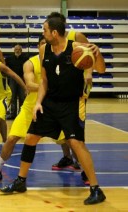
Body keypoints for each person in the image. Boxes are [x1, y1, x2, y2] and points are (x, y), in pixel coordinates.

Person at [0, 16, 106, 205]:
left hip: (70, 105)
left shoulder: (76, 48)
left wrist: (97, 54)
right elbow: (44, 81)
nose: (43, 33)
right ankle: (21, 181)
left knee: (76, 143)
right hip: (49, 104)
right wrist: (38, 102)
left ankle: (96, 189)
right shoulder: (44, 50)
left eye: (45, 30)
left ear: (54, 33)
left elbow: (101, 70)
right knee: (31, 137)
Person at [47, 12, 106, 182]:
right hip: (60, 93)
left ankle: (86, 171)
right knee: (62, 130)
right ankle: (67, 158)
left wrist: (88, 72)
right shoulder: (52, 43)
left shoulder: (76, 36)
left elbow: (89, 57)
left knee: (77, 133)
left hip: (77, 91)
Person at [0, 35, 46, 185]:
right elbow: (29, 85)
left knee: (71, 141)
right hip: (30, 108)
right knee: (11, 139)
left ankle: (80, 167)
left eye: (47, 43)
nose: (45, 46)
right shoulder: (31, 63)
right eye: (42, 43)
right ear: (38, 46)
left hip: (52, 108)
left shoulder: (59, 62)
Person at [5, 44, 29, 120]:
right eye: (16, 49)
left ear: (21, 50)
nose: (17, 50)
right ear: (14, 50)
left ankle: (21, 113)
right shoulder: (9, 59)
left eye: (19, 49)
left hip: (22, 79)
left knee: (22, 97)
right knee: (12, 97)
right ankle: (13, 114)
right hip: (12, 80)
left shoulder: (26, 58)